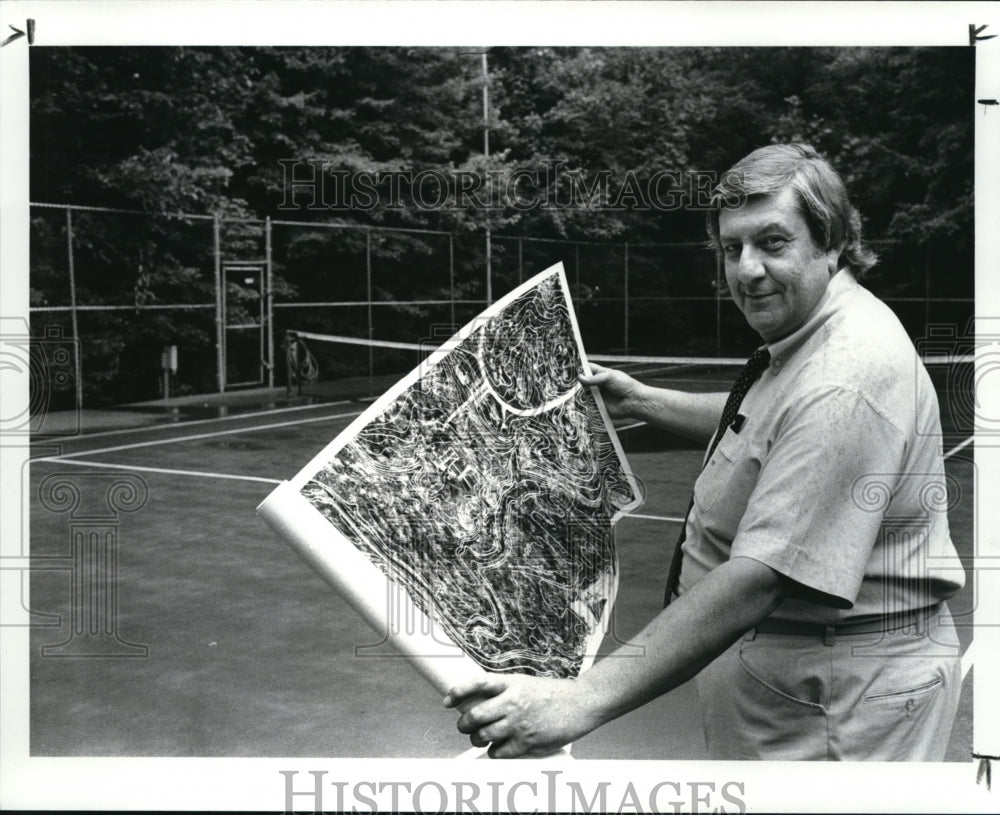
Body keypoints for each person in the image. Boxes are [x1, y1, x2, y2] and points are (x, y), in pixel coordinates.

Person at [443, 143, 966, 761]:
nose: (746, 270)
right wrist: (643, 401)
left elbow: (758, 579)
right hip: (805, 684)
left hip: (837, 707)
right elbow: (770, 422)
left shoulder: (844, 376)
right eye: (731, 248)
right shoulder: (817, 334)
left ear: (831, 243)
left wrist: (576, 701)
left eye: (773, 243)